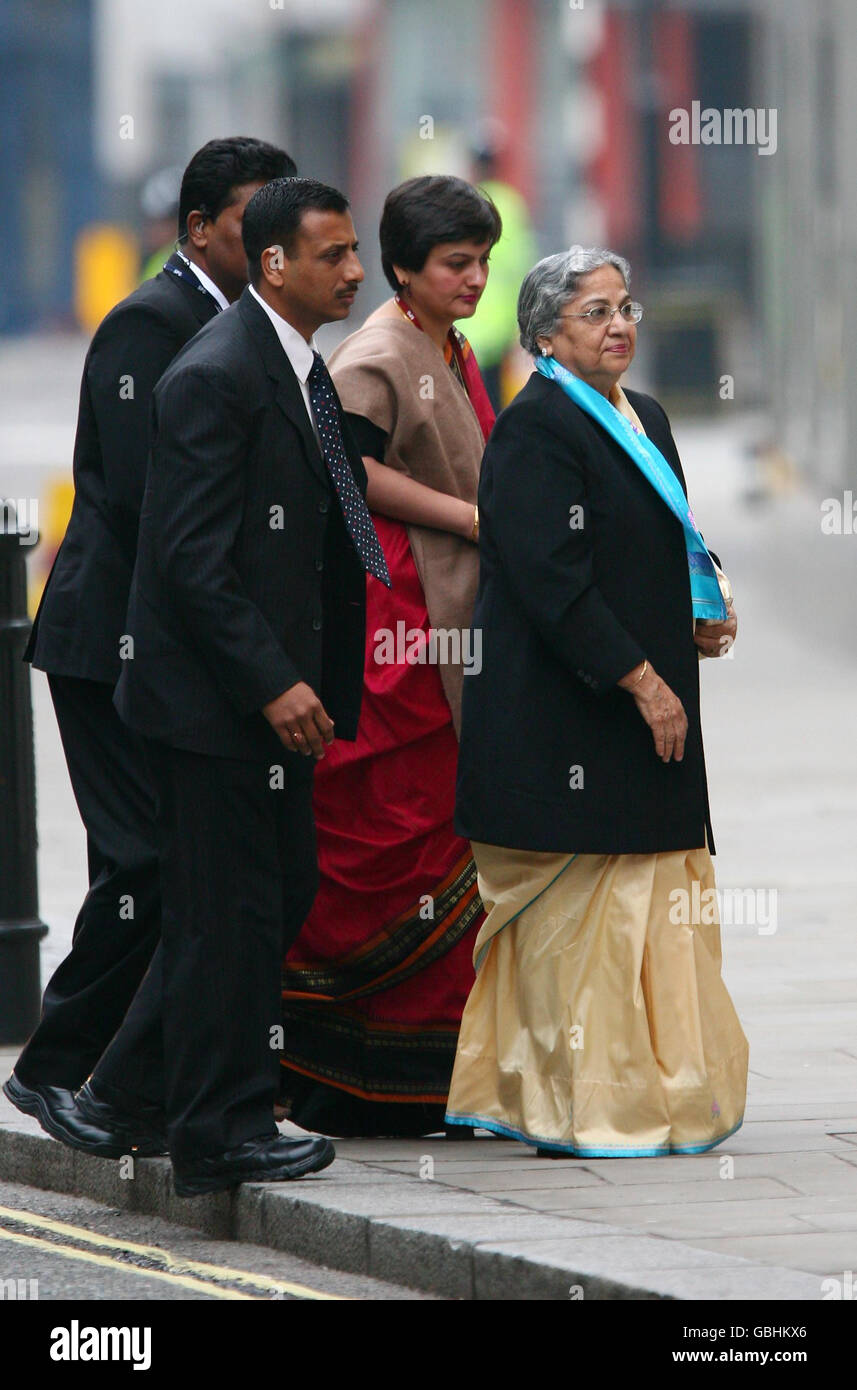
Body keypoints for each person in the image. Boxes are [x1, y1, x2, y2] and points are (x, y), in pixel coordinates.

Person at [85, 176, 380, 1195]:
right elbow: (187, 561)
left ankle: (130, 1092)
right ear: (272, 265)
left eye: (353, 251)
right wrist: (272, 685)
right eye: (334, 254)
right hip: (213, 709)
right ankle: (221, 1131)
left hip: (264, 704)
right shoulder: (215, 372)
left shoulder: (298, 364)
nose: (353, 270)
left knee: (268, 896)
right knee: (228, 915)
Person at [4, 138, 296, 1157]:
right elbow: (139, 499)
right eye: (250, 220)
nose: (265, 241)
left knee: (168, 867)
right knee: (147, 865)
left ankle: (109, 1075)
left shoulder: (235, 328)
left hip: (160, 646)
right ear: (202, 226)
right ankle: (56, 1072)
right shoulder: (150, 322)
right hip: (108, 643)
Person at [445, 246, 748, 1157]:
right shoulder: (535, 429)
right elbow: (553, 583)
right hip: (567, 715)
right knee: (588, 928)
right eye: (594, 313)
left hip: (641, 711)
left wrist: (705, 606)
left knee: (657, 902)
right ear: (543, 337)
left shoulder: (642, 414)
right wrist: (643, 681)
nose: (618, 327)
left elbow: (667, 535)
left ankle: (667, 1089)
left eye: (625, 309)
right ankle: (581, 1104)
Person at [278, 176, 500, 1137]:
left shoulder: (447, 344)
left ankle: (434, 1077)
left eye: (485, 262)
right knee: (393, 822)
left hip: (443, 615)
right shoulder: (378, 351)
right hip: (396, 627)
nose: (477, 279)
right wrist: (465, 516)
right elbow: (348, 468)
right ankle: (353, 1080)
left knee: (446, 833)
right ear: (404, 268)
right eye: (457, 264)